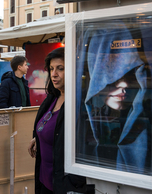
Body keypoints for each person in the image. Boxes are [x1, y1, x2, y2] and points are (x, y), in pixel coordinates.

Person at [75, 23, 151, 175]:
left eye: (130, 76)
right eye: (112, 77)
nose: (124, 85)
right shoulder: (82, 121)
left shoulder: (145, 119)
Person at [28, 47, 95, 194]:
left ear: (73, 70)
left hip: (64, 185)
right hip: (44, 179)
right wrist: (37, 137)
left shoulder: (80, 103)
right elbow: (45, 124)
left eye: (60, 68)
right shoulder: (53, 97)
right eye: (51, 69)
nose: (54, 74)